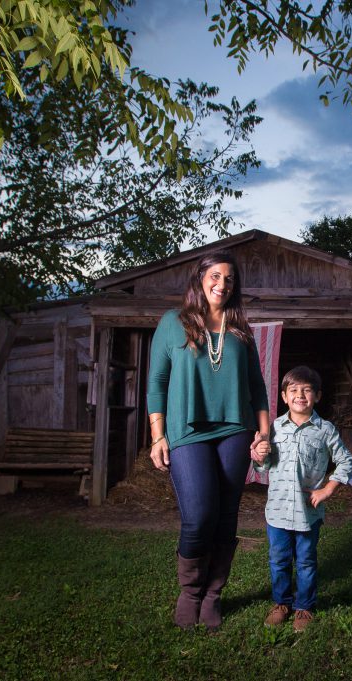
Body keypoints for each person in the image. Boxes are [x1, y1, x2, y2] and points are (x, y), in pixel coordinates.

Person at [147, 250, 271, 630]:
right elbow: (157, 381)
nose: (222, 284)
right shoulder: (173, 322)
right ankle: (191, 592)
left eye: (229, 279)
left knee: (225, 517)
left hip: (235, 430)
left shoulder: (240, 329)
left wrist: (264, 432)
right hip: (187, 431)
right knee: (199, 515)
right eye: (215, 276)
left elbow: (256, 387)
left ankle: (213, 595)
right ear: (200, 280)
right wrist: (158, 436)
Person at [251, 365, 352, 632]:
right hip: (277, 512)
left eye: (307, 390)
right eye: (293, 390)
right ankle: (281, 604)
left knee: (306, 561)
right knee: (279, 559)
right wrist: (259, 456)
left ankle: (304, 607)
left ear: (317, 396)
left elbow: (346, 461)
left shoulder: (325, 430)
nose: (300, 395)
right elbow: (263, 468)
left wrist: (328, 489)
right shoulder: (273, 428)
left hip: (308, 512)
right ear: (284, 396)